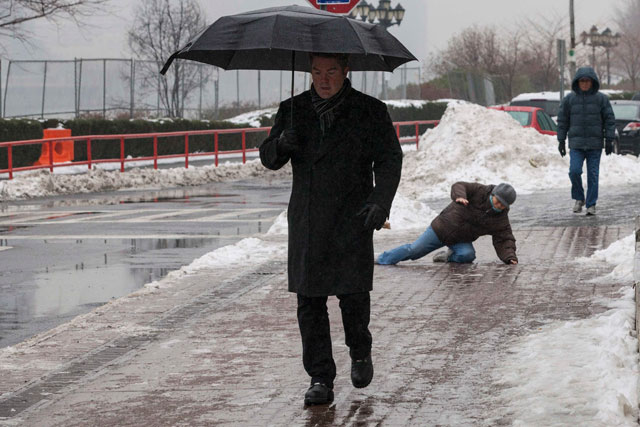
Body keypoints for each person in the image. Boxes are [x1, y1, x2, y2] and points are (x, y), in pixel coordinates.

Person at [259, 52, 403, 406]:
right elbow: (268, 157)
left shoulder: (369, 110)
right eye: (317, 72)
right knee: (310, 302)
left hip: (353, 217)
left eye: (331, 72)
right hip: (308, 220)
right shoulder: (292, 110)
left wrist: (380, 201)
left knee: (352, 295)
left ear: (345, 71)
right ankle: (320, 377)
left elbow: (389, 158)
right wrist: (281, 144)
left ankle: (359, 351)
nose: (323, 79)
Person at [377, 182, 518, 266]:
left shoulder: (501, 219)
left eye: (502, 205)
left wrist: (510, 257)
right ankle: (381, 258)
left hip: (461, 239)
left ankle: (447, 256)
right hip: (440, 229)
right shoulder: (480, 191)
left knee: (467, 255)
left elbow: (505, 238)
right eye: (497, 201)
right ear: (493, 194)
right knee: (413, 251)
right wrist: (460, 196)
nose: (498, 205)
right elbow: (459, 185)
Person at [556, 66, 616, 216]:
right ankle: (579, 198)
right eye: (582, 81)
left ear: (592, 82)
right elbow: (562, 121)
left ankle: (591, 204)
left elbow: (609, 120)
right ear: (577, 82)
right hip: (576, 144)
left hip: (595, 144)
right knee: (574, 171)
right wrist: (561, 140)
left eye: (587, 81)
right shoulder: (569, 99)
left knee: (593, 175)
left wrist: (609, 139)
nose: (584, 83)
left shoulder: (601, 99)